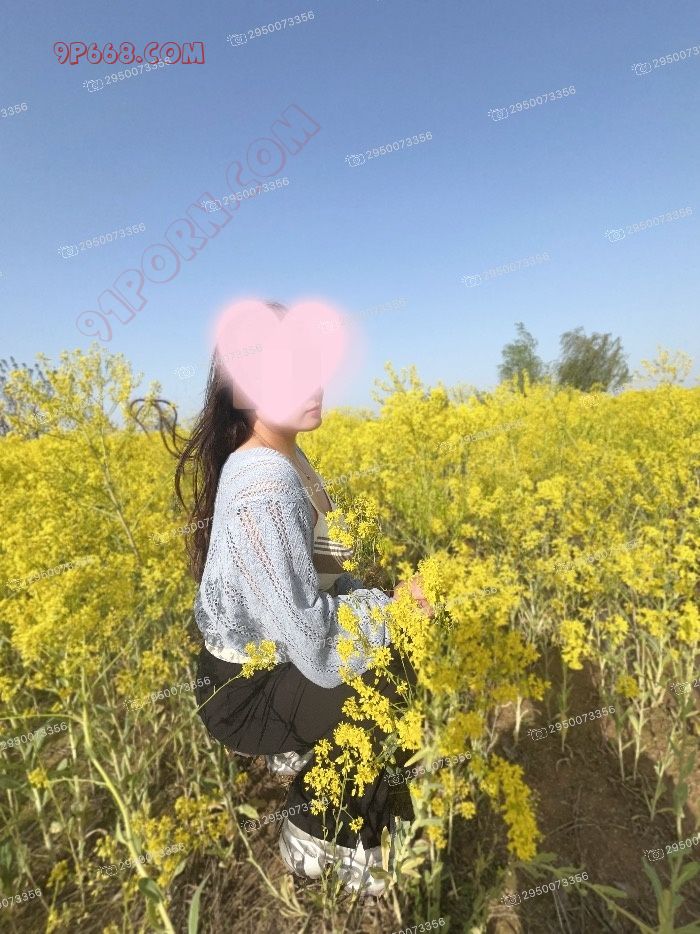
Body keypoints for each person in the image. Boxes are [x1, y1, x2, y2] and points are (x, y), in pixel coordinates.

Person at [175, 300, 431, 897]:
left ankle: (316, 763)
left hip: (276, 658)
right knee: (392, 666)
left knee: (398, 639)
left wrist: (382, 597)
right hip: (245, 692)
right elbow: (316, 645)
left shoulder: (288, 455)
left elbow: (319, 578)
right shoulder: (263, 484)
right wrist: (392, 611)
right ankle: (316, 832)